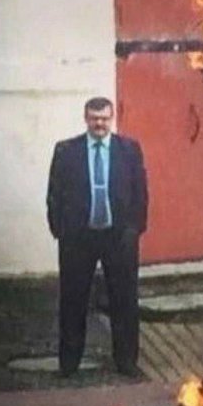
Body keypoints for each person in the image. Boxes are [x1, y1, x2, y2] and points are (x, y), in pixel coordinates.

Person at [46, 97, 148, 377]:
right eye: (94, 118)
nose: (99, 124)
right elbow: (54, 193)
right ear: (86, 119)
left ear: (112, 118)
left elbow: (141, 192)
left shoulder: (129, 150)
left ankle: (126, 361)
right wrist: (61, 231)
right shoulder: (66, 151)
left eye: (104, 118)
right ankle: (69, 363)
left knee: (124, 300)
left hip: (118, 238)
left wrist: (134, 230)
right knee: (73, 300)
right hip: (78, 238)